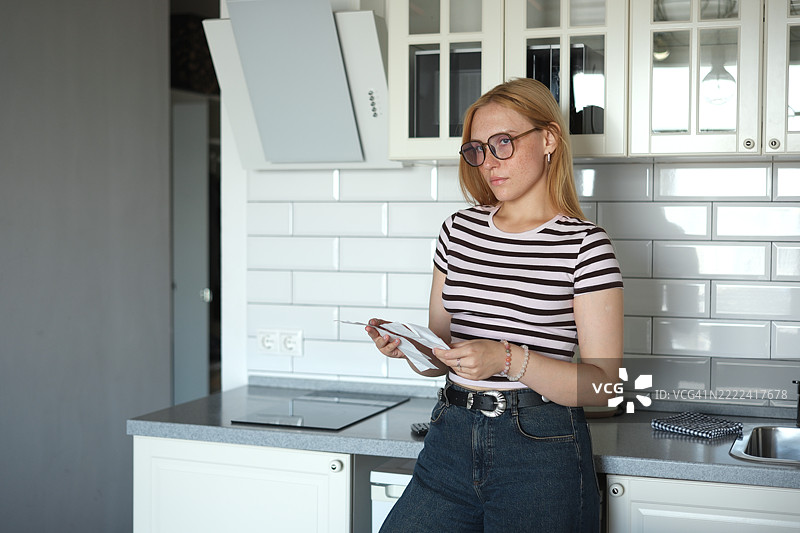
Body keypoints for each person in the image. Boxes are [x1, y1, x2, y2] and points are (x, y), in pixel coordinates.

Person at [365, 77, 624, 532]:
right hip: (449, 437)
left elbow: (606, 388)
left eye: (503, 143)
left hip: (540, 451)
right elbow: (442, 355)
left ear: (548, 139)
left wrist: (506, 358)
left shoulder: (585, 246)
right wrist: (410, 348)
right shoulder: (457, 231)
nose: (488, 162)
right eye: (478, 149)